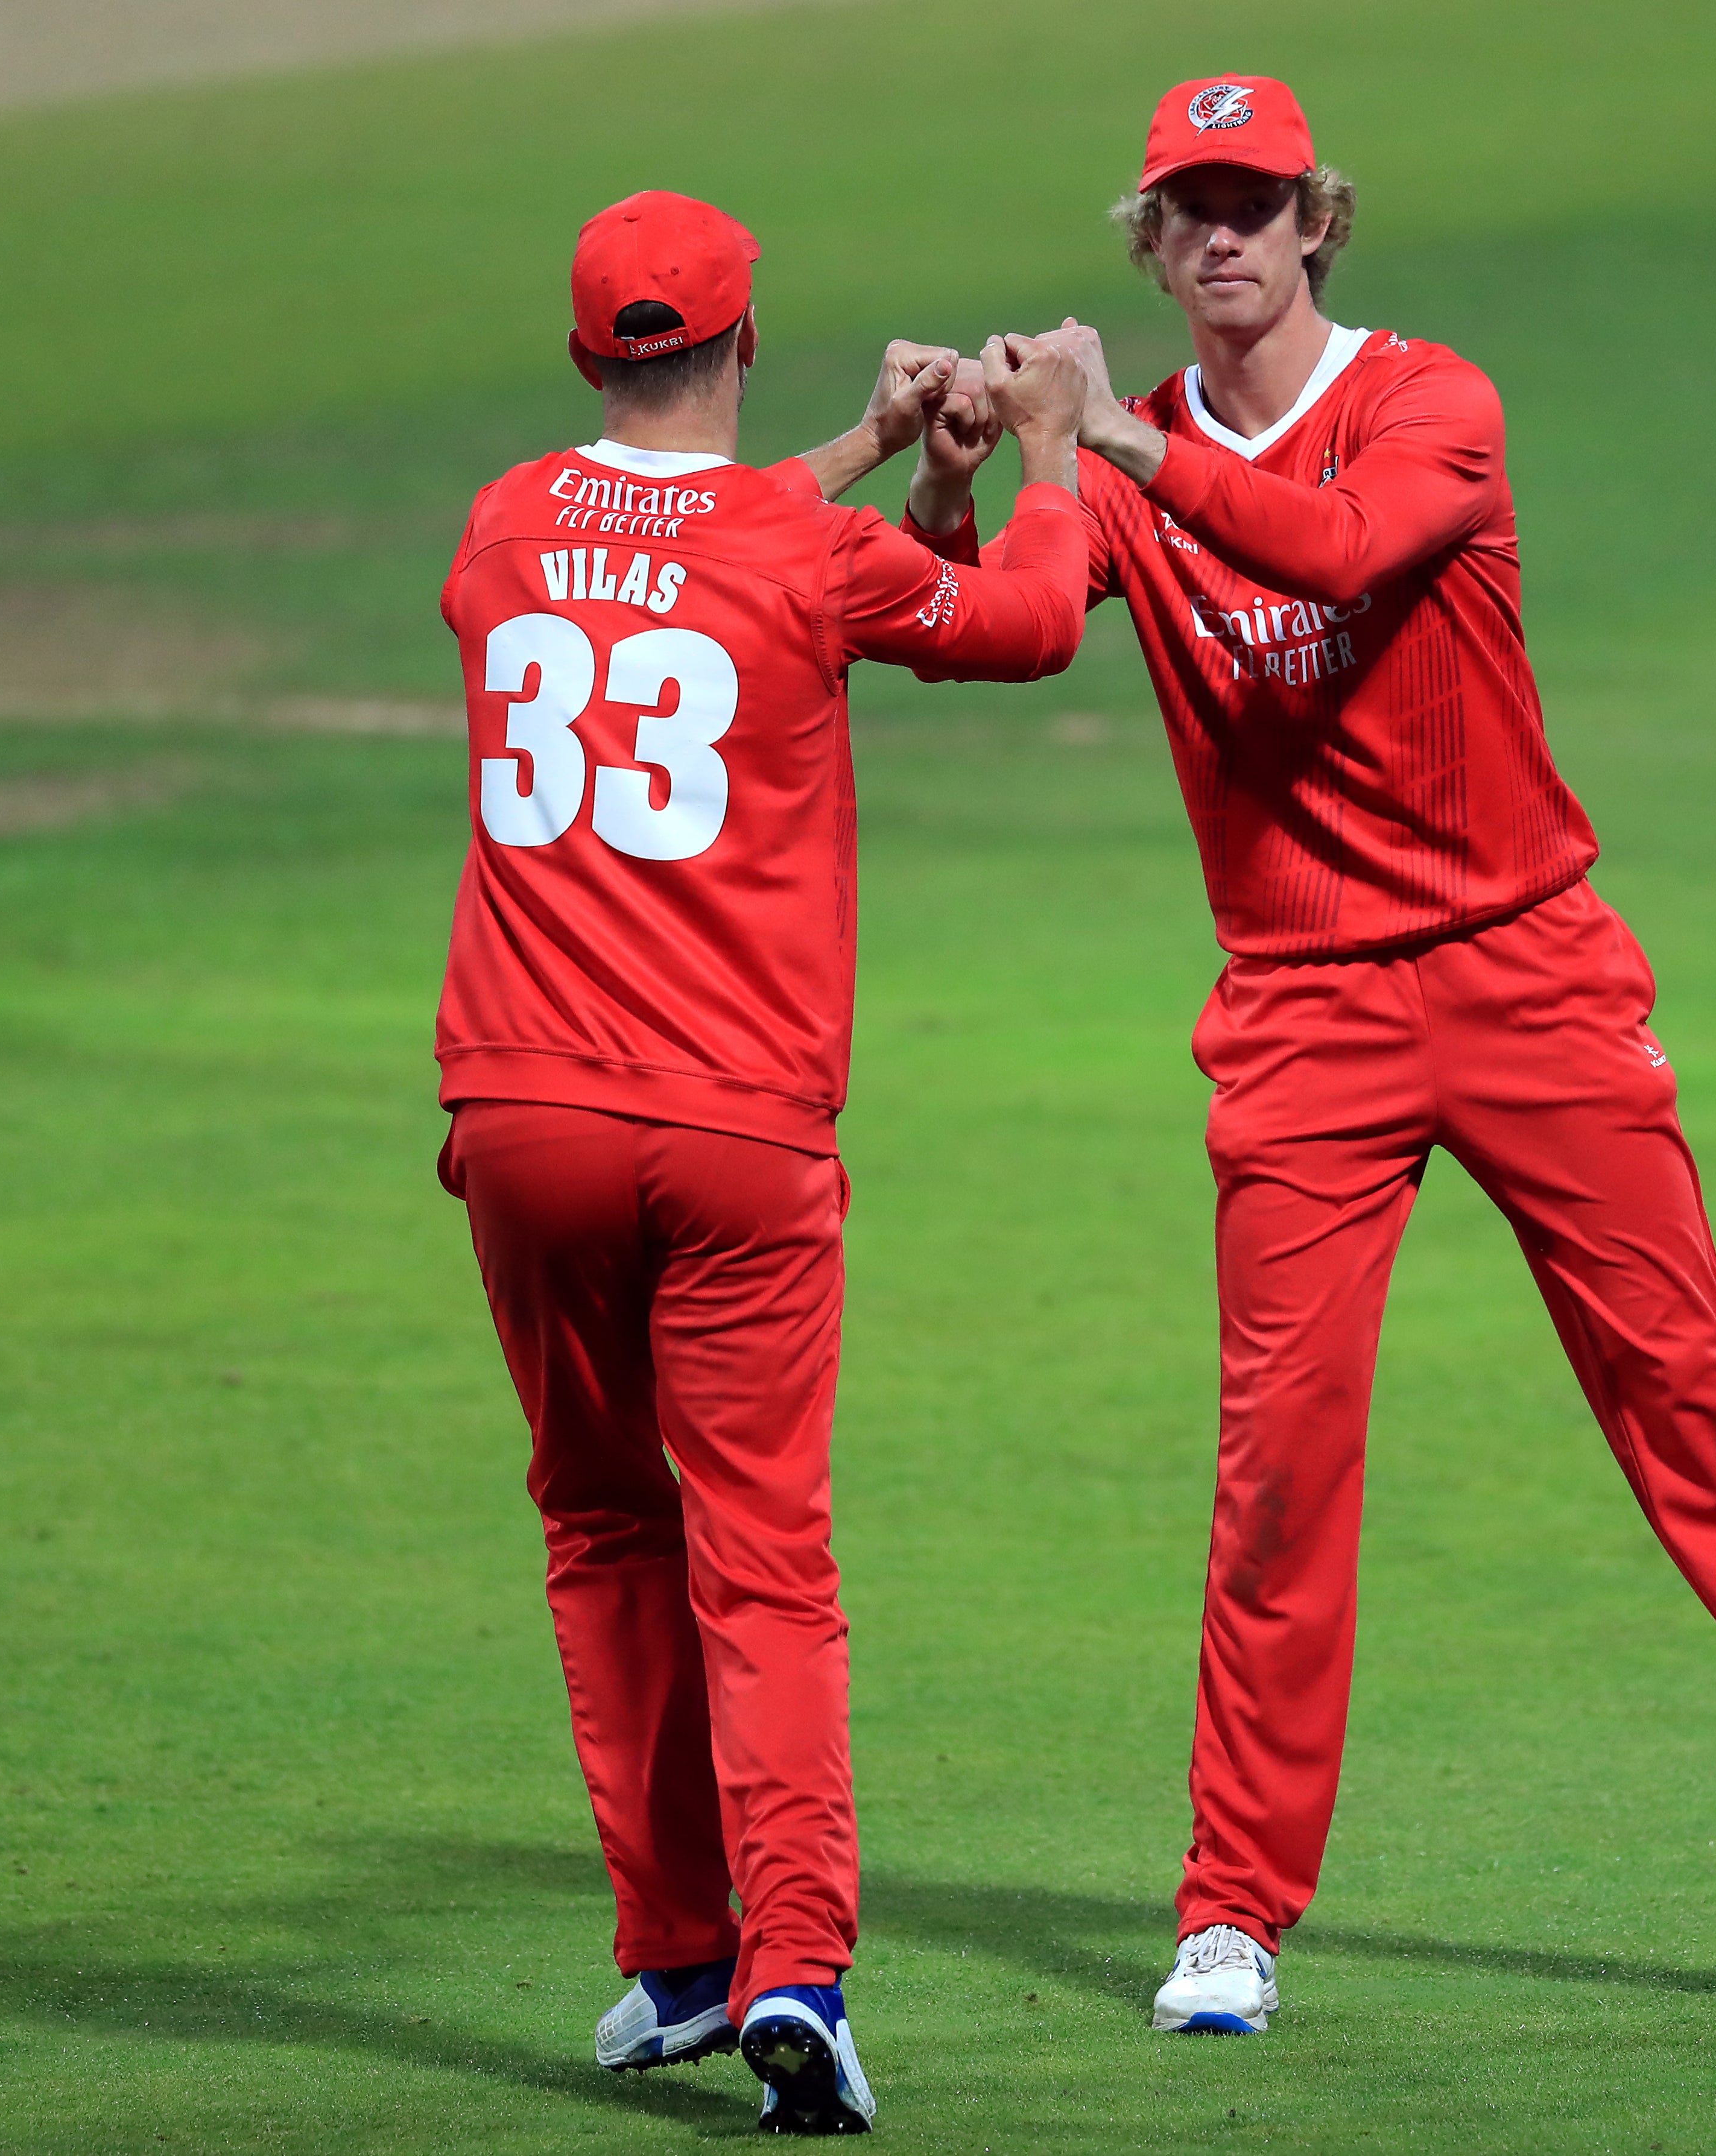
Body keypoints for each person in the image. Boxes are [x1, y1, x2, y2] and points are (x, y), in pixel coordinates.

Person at [902, 77, 1716, 2035]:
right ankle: (1231, 1915)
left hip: (1524, 969)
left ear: (1320, 223)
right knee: (1279, 1473)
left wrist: (1109, 432)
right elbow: (998, 626)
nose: (1224, 236)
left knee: (1689, 1399)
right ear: (1149, 241)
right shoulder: (1125, 456)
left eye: (1258, 203)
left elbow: (1333, 548)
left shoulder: (1430, 401)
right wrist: (968, 466)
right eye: (1188, 209)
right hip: (1301, 1011)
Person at [432, 188, 1089, 2129]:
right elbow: (1035, 623)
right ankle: (797, 1966)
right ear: (744, 334)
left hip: (524, 1115)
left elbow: (655, 535)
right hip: (731, 1138)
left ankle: (677, 1957)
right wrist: (1036, 451)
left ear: (586, 355)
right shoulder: (802, 556)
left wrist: (876, 451)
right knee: (765, 1564)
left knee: (602, 1529)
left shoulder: (495, 525)